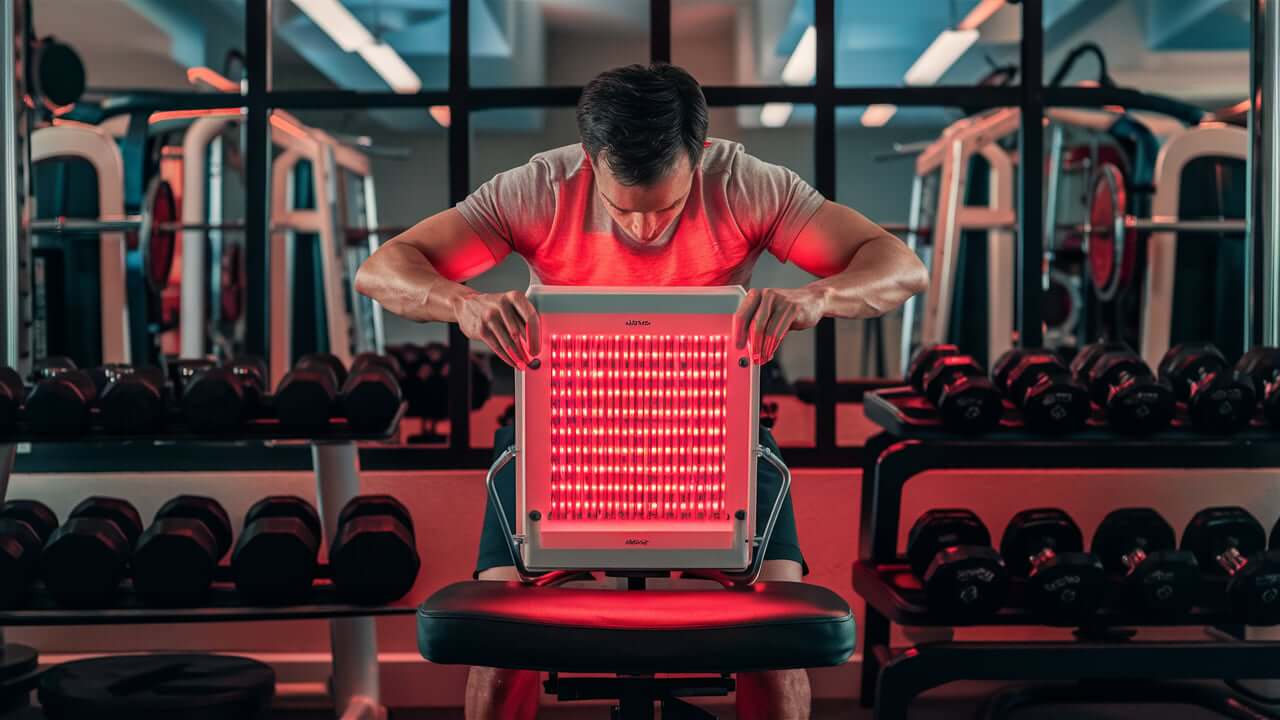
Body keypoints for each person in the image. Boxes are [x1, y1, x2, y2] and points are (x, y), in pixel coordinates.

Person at [356, 63, 927, 720]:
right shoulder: (542, 186)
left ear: (700, 155)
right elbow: (383, 269)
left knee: (775, 636)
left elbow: (899, 266)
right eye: (623, 209)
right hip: (565, 440)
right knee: (499, 634)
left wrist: (816, 296)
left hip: (717, 440)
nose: (646, 231)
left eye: (669, 209)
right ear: (589, 160)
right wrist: (461, 304)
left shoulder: (743, 183)